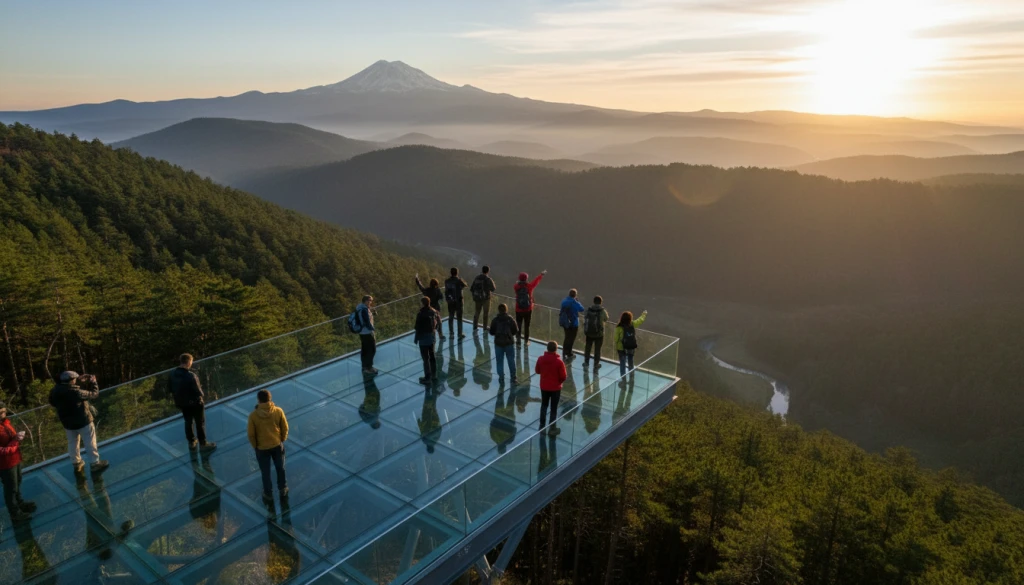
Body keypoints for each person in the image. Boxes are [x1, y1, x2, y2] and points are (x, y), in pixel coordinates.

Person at [48, 371, 110, 473]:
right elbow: (94, 394)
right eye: (75, 379)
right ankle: (95, 463)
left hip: (67, 422)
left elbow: (53, 401)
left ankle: (76, 462)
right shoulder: (76, 392)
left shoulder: (55, 391)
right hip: (83, 421)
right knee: (90, 442)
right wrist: (94, 382)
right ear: (72, 380)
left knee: (73, 443)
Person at [168, 353, 218, 452]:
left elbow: (170, 389)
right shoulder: (191, 375)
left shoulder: (172, 374)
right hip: (195, 403)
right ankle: (203, 444)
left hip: (182, 403)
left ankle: (192, 442)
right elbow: (199, 392)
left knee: (188, 422)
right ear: (189, 362)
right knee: (200, 423)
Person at [247, 389, 289, 504]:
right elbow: (285, 427)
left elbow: (251, 434)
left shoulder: (253, 416)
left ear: (258, 400)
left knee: (265, 472)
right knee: (280, 468)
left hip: (262, 448)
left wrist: (255, 446)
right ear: (270, 398)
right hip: (276, 445)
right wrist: (282, 439)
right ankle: (283, 488)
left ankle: (268, 493)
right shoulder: (278, 411)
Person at [0, 401, 36, 524]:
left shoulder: (5, 422)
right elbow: (3, 451)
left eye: (4, 411)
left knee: (17, 482)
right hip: (5, 464)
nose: (3, 414)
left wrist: (17, 437)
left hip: (15, 459)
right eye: (1, 412)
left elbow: (11, 439)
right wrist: (16, 441)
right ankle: (15, 513)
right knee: (11, 488)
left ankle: (20, 504)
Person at [535, 341, 567, 435]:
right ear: (556, 349)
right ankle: (552, 428)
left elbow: (537, 371)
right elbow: (563, 376)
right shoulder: (559, 362)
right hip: (555, 388)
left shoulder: (541, 359)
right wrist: (558, 383)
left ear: (547, 348)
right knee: (553, 408)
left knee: (544, 405)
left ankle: (542, 425)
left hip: (544, 387)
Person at [513, 270, 547, 346]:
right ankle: (526, 341)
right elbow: (536, 282)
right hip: (528, 309)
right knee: (527, 325)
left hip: (518, 308)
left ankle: (518, 339)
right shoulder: (529, 286)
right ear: (526, 279)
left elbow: (516, 287)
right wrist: (541, 275)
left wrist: (517, 282)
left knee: (518, 324)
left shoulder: (516, 286)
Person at [488, 303, 520, 386]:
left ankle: (501, 378)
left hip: (498, 343)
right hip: (509, 343)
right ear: (506, 310)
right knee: (511, 361)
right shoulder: (510, 319)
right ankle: (513, 378)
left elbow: (491, 332)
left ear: (499, 310)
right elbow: (515, 330)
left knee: (499, 361)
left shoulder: (495, 320)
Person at [414, 296, 441, 384]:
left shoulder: (421, 314)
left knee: (426, 359)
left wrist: (417, 338)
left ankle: (427, 378)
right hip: (432, 337)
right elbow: (439, 322)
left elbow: (417, 327)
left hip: (423, 338)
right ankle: (434, 375)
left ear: (422, 303)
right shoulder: (434, 311)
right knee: (432, 357)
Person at [615, 310, 648, 376]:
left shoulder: (619, 327)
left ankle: (623, 376)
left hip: (621, 348)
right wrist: (644, 314)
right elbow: (640, 320)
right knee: (631, 361)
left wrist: (617, 345)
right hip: (631, 346)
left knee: (622, 363)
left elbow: (616, 339)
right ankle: (631, 375)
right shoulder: (632, 324)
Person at [582, 296, 611, 370]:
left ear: (593, 301)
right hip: (599, 334)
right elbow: (606, 318)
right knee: (597, 349)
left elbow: (585, 316)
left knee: (588, 348)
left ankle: (586, 362)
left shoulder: (589, 309)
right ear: (601, 302)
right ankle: (596, 364)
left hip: (589, 332)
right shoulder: (602, 311)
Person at [415, 274, 446, 340]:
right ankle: (440, 335)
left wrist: (418, 281)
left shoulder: (427, 290)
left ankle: (433, 337)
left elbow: (421, 288)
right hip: (436, 309)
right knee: (438, 322)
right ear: (436, 284)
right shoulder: (437, 290)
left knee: (431, 324)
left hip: (428, 308)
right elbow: (441, 297)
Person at [558, 289, 586, 362]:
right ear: (575, 295)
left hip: (565, 322)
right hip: (573, 323)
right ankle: (569, 353)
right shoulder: (574, 302)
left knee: (566, 337)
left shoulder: (564, 301)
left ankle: (564, 352)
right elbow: (581, 309)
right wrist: (577, 301)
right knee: (572, 338)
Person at [444, 267, 469, 340]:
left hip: (450, 302)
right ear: (457, 273)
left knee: (451, 317)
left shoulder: (447, 281)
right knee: (459, 318)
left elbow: (446, 290)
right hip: (459, 302)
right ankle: (460, 334)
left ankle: (451, 334)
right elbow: (465, 285)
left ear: (450, 273)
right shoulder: (459, 281)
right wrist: (461, 279)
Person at [470, 265, 497, 333]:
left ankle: (475, 326)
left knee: (477, 312)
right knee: (486, 313)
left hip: (477, 298)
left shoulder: (477, 278)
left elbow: (472, 288)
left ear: (482, 270)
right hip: (486, 299)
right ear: (488, 271)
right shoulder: (488, 279)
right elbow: (493, 289)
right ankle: (485, 328)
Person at [355, 295, 378, 375]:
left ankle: (364, 367)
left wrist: (372, 314)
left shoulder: (359, 307)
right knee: (372, 349)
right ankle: (369, 367)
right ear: (365, 301)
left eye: (371, 301)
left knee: (365, 349)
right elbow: (367, 321)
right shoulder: (364, 309)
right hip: (367, 332)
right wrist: (372, 329)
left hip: (361, 332)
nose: (370, 303)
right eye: (369, 301)